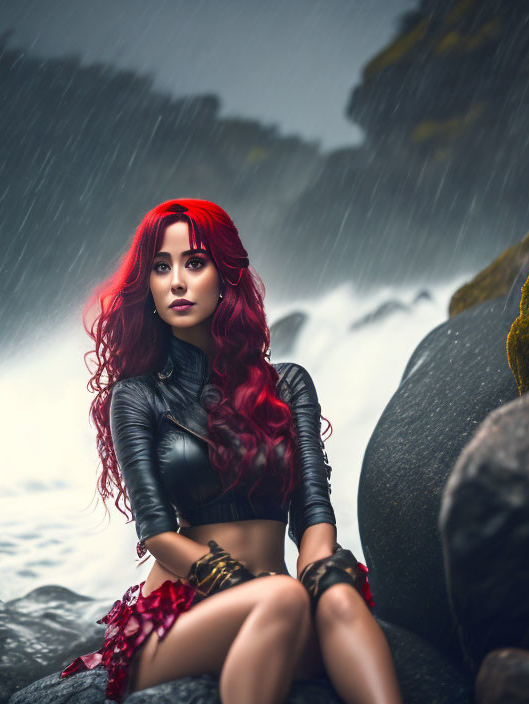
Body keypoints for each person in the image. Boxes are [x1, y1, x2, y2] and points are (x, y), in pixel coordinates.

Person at [60, 199, 403, 704]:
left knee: (337, 595)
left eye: (194, 263)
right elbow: (155, 532)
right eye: (161, 267)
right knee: (283, 597)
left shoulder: (288, 385)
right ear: (148, 287)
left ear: (226, 276)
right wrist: (237, 580)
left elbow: (312, 509)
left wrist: (317, 573)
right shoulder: (137, 396)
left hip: (275, 602)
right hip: (178, 615)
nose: (176, 281)